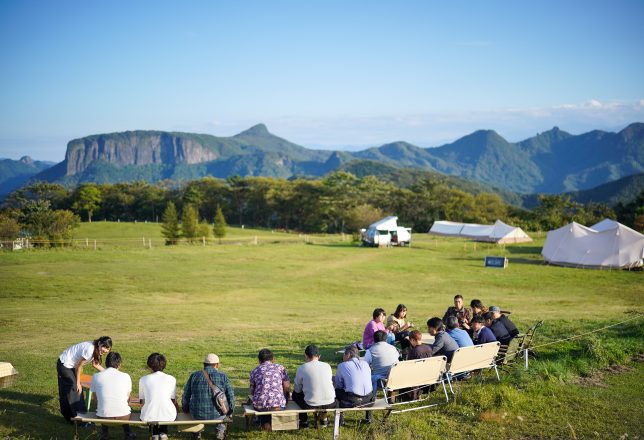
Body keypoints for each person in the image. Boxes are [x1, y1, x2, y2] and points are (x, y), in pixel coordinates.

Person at [57, 336, 112, 422]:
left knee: (73, 390)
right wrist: (78, 383)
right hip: (65, 365)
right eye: (104, 347)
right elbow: (79, 367)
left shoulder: (97, 350)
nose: (105, 350)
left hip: (72, 366)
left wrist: (109, 373)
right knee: (74, 389)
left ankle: (79, 417)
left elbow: (95, 364)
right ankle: (76, 418)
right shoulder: (89, 349)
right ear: (99, 344)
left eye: (107, 348)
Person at [182, 353, 235, 440]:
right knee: (223, 409)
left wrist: (185, 409)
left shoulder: (194, 375)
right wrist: (230, 411)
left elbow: (186, 396)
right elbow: (231, 396)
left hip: (196, 414)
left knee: (196, 411)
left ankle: (196, 432)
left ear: (204, 364)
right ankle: (220, 431)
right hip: (218, 414)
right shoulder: (223, 376)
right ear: (217, 364)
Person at [91, 352, 135, 440]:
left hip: (102, 416)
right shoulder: (126, 376)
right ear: (119, 364)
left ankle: (104, 434)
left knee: (104, 405)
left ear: (106, 363)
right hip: (123, 417)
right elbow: (127, 398)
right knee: (122, 406)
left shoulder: (96, 376)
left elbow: (95, 399)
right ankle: (128, 433)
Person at [292, 345, 336, 428]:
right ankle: (323, 419)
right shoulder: (327, 366)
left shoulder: (301, 368)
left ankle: (304, 420)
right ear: (319, 356)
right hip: (330, 402)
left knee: (296, 394)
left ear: (305, 356)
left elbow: (297, 390)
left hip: (310, 404)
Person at [248, 349, 290, 432]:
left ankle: (265, 423)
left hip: (260, 406)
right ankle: (273, 423)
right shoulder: (280, 368)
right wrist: (285, 395)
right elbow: (286, 386)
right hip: (278, 405)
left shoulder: (254, 371)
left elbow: (252, 390)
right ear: (273, 359)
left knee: (262, 404)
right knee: (282, 397)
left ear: (259, 360)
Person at [139, 353, 178, 440]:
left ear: (150, 366)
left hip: (148, 415)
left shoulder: (143, 379)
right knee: (163, 408)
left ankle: (155, 432)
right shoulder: (172, 379)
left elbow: (142, 401)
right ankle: (163, 432)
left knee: (152, 409)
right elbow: (173, 399)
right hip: (169, 415)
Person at [334, 346, 374, 425]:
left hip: (352, 400)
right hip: (369, 400)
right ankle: (368, 417)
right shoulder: (365, 364)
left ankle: (340, 420)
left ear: (348, 355)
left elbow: (339, 385)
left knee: (335, 391)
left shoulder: (342, 365)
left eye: (344, 354)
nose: (343, 356)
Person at [364, 330, 399, 401]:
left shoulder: (370, 350)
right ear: (386, 339)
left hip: (381, 381)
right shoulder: (393, 348)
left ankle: (370, 397)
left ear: (374, 340)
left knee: (367, 374)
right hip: (394, 378)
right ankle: (390, 395)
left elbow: (364, 365)